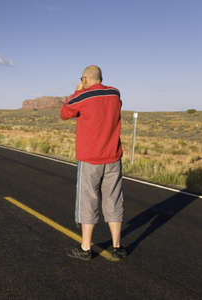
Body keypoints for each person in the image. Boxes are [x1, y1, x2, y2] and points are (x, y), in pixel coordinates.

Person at [60, 65, 127, 261]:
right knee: (114, 199)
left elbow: (64, 112)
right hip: (113, 157)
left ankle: (86, 248)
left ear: (85, 79)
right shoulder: (115, 93)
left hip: (90, 159)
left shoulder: (83, 96)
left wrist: (78, 90)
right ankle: (117, 246)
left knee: (88, 201)